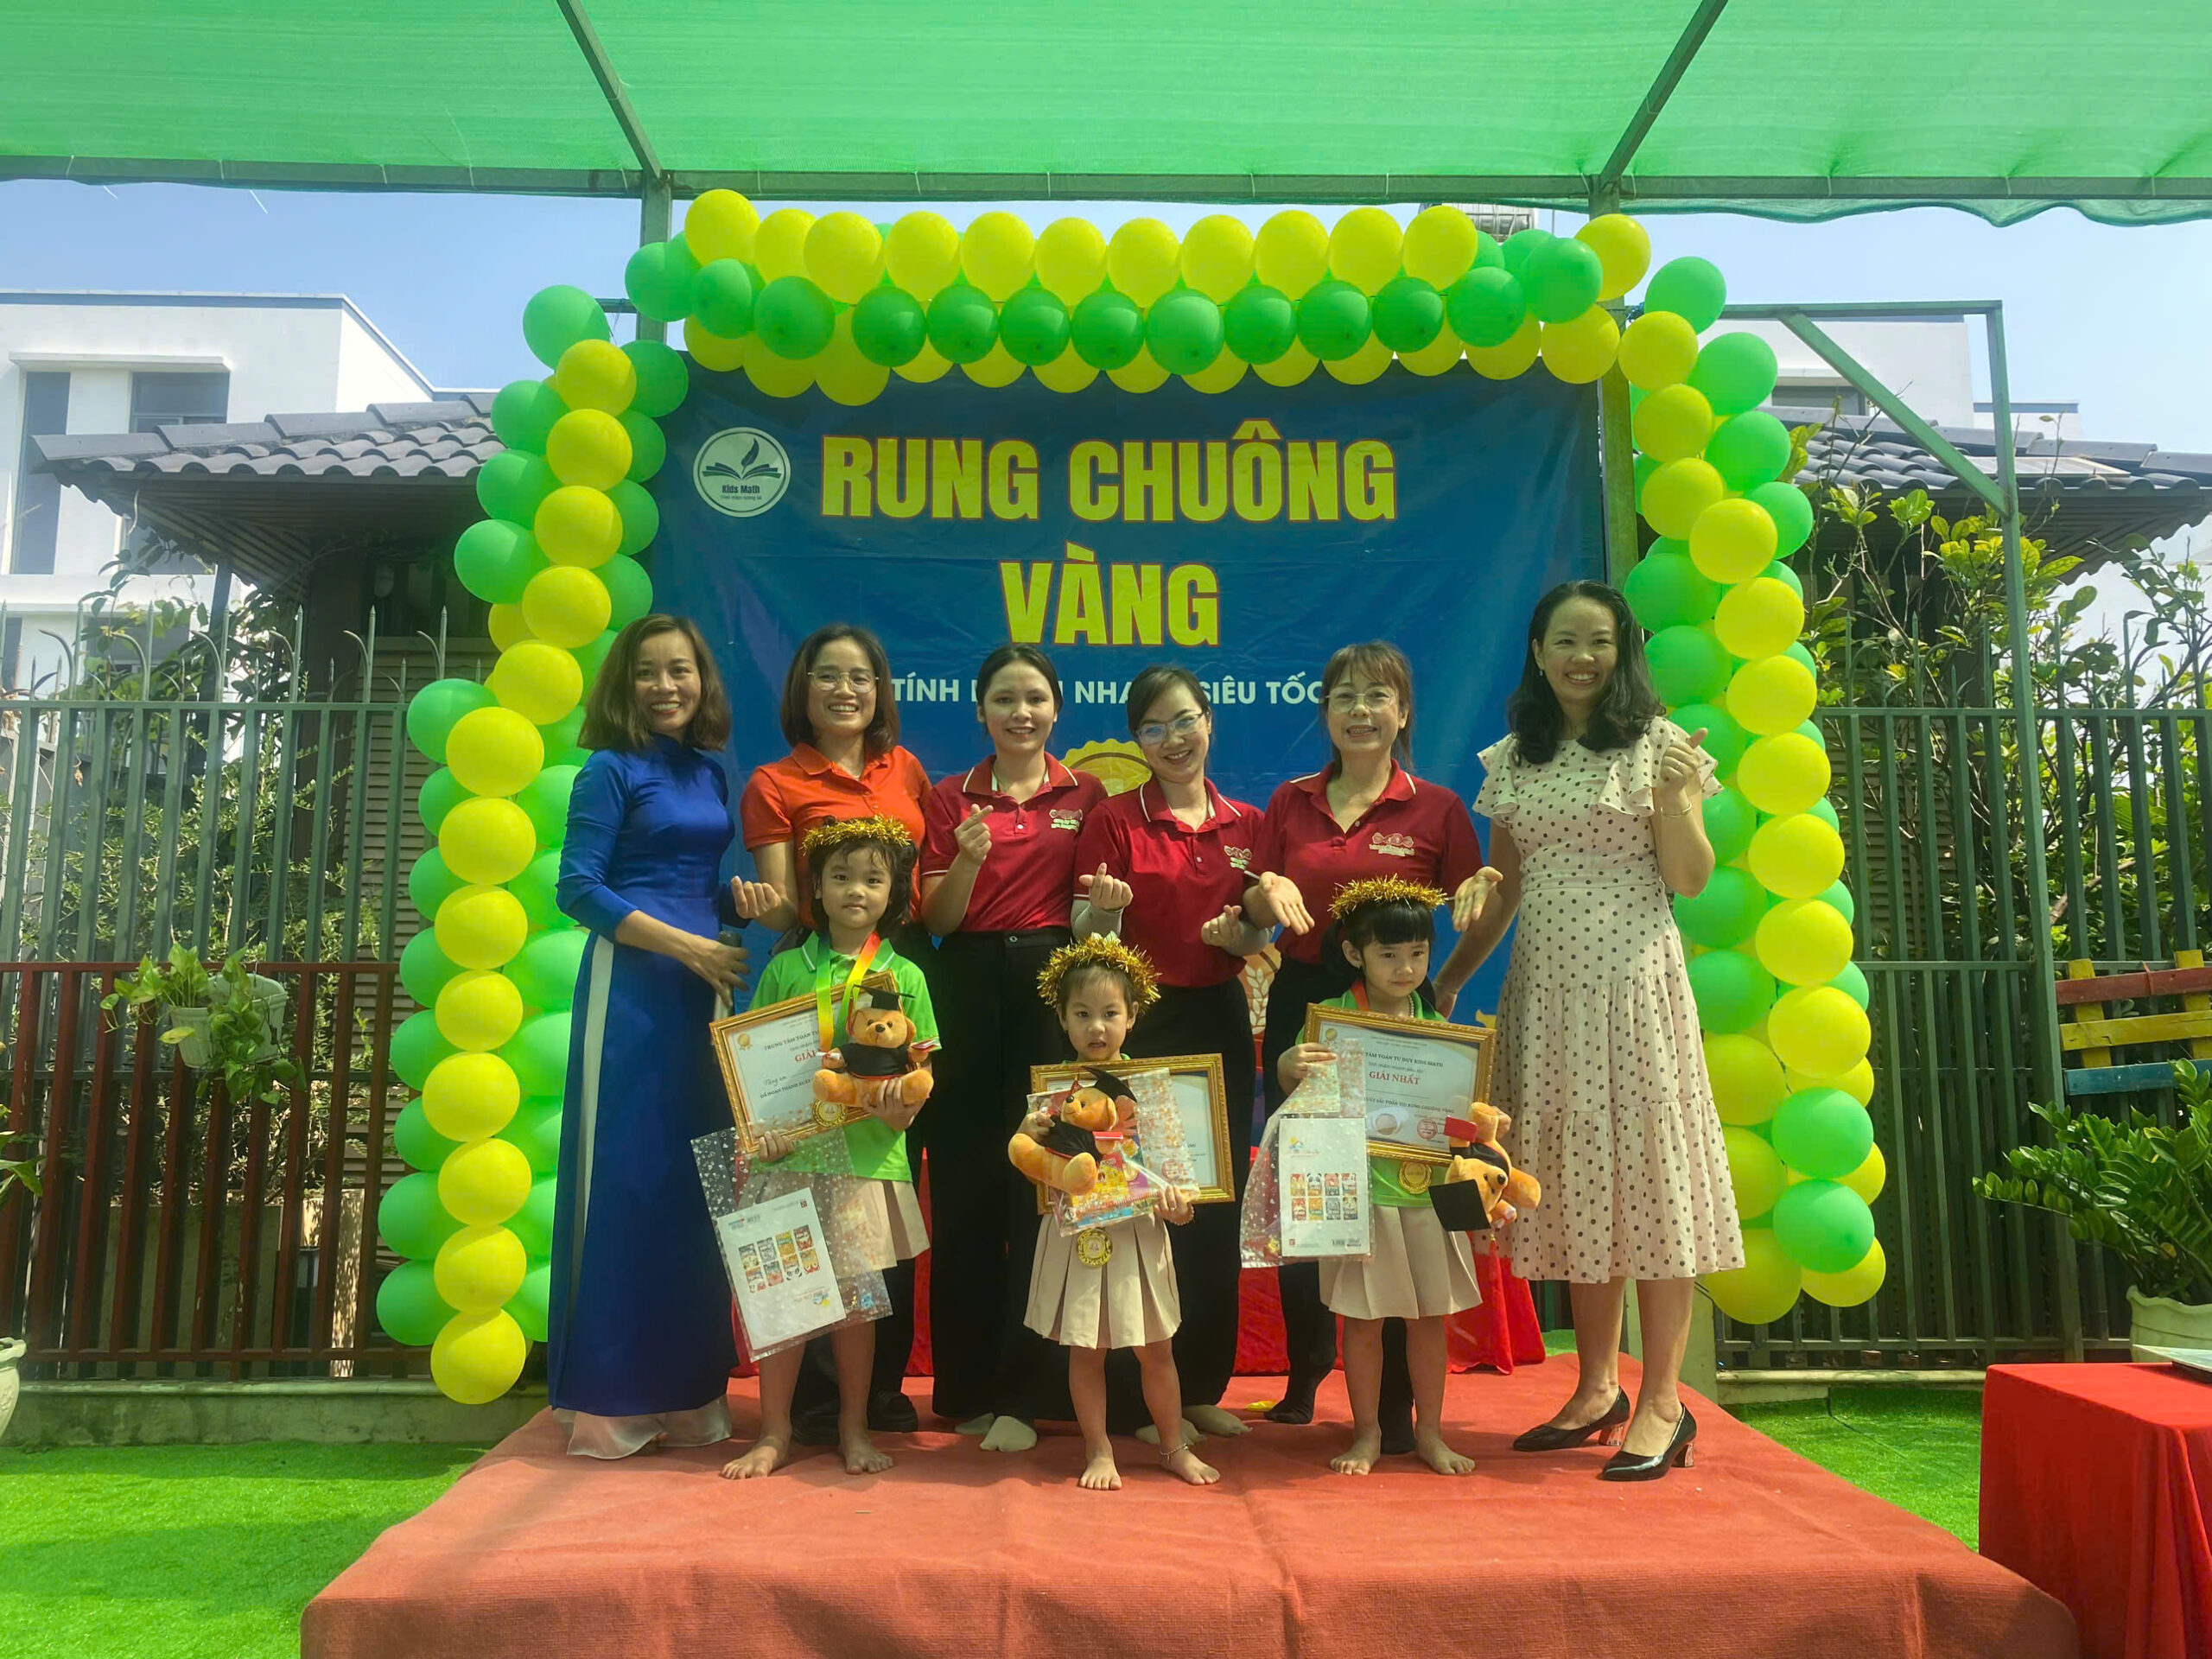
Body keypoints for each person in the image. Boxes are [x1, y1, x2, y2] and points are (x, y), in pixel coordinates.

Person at [1456, 580, 1743, 1481]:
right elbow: (1504, 885)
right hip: (1546, 995)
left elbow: (1689, 880)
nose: (1582, 657)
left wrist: (1676, 797)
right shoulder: (1515, 757)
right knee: (1576, 1179)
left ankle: (1661, 1401)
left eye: (1600, 641)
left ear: (1624, 652)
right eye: (1565, 641)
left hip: (1634, 990)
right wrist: (1450, 976)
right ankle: (1594, 1388)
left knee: (1651, 1177)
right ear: (1537, 652)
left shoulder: (1659, 744)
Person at [1240, 639, 1535, 1441]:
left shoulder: (1435, 807)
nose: (1360, 711)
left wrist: (1449, 980)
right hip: (1314, 1007)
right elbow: (1254, 915)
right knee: (1317, 1192)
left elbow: (1480, 900)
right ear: (1326, 713)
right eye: (1343, 696)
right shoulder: (1290, 801)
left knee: (1405, 1194)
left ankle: (1402, 1406)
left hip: (1405, 1018)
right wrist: (1264, 891)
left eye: (1377, 696)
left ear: (1403, 713)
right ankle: (1307, 1374)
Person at [549, 614, 750, 1459]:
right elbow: (578, 889)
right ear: (622, 685)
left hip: (702, 998)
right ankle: (612, 1400)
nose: (666, 687)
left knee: (696, 1188)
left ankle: (688, 1394)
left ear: (703, 681)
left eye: (681, 670)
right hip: (630, 996)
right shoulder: (608, 769)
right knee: (626, 1183)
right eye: (648, 672)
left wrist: (735, 906)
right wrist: (687, 947)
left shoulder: (708, 773)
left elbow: (695, 884)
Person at [734, 623, 931, 1436]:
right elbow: (786, 902)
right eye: (828, 676)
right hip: (813, 975)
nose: (846, 690)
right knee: (795, 1232)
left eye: (862, 677)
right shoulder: (775, 781)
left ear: (881, 690)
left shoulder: (905, 769)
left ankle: (873, 1398)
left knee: (873, 1225)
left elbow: (923, 882)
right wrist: (763, 909)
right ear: (803, 688)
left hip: (890, 977)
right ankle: (803, 1411)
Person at [1071, 665, 1268, 1440]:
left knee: (1211, 1204)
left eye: (1184, 720)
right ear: (1137, 742)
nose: (1173, 739)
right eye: (1153, 728)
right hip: (1140, 1027)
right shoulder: (1115, 820)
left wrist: (1241, 935)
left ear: (1209, 721)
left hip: (1218, 1020)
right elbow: (1085, 931)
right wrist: (1105, 912)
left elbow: (1258, 933)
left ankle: (1199, 1388)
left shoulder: (1249, 823)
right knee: (1138, 1208)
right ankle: (1136, 1403)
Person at [918, 644, 1106, 1451]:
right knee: (966, 1189)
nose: (1020, 712)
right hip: (964, 983)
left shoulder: (1087, 794)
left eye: (1034, 697)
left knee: (1046, 1185)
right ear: (981, 711)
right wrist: (965, 861)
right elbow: (938, 920)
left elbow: (1093, 916)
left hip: (1049, 987)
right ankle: (967, 1389)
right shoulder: (948, 797)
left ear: (1057, 708)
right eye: (1004, 698)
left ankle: (1035, 1392)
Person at [722, 816, 936, 1480]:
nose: (855, 891)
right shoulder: (786, 968)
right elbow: (752, 1063)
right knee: (784, 1300)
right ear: (815, 888)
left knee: (855, 1306)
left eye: (872, 879)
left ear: (893, 892)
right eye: (840, 877)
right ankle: (774, 1432)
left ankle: (854, 1427)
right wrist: (760, 1130)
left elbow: (923, 1067)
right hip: (790, 1157)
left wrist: (904, 1107)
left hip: (867, 1160)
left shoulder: (905, 975)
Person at [1278, 880, 1494, 1478]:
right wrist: (1288, 1065)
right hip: (1358, 1196)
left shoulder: (1440, 1031)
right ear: (1355, 954)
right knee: (1363, 1322)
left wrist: (1477, 1126)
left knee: (1429, 1320)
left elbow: (1461, 1119)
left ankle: (1431, 1434)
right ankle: (1367, 1433)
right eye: (1389, 954)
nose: (1405, 969)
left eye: (1417, 954)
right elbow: (1298, 1090)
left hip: (1427, 1193)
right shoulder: (1332, 1022)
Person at [1019, 937, 1217, 1490]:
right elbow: (1036, 1170)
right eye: (1082, 1014)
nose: (1097, 1028)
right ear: (1063, 1019)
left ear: (1132, 1017)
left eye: (1110, 1013)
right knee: (1086, 1352)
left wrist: (1180, 1207)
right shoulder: (1051, 1096)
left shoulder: (1155, 1090)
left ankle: (1174, 1446)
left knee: (1157, 1350)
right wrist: (1029, 1137)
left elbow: (1179, 1178)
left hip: (1139, 1235)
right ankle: (1098, 1449)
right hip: (1076, 1236)